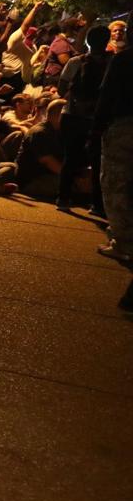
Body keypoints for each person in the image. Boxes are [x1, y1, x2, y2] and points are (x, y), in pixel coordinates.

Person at [57, 24, 111, 212]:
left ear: (87, 41)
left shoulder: (75, 62)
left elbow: (61, 88)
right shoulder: (111, 62)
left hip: (72, 114)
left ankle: (63, 198)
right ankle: (97, 204)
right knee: (98, 161)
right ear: (107, 42)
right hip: (98, 117)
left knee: (70, 157)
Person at [94, 48, 133, 310]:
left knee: (116, 187)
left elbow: (105, 96)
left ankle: (125, 241)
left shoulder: (124, 60)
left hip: (124, 126)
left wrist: (96, 130)